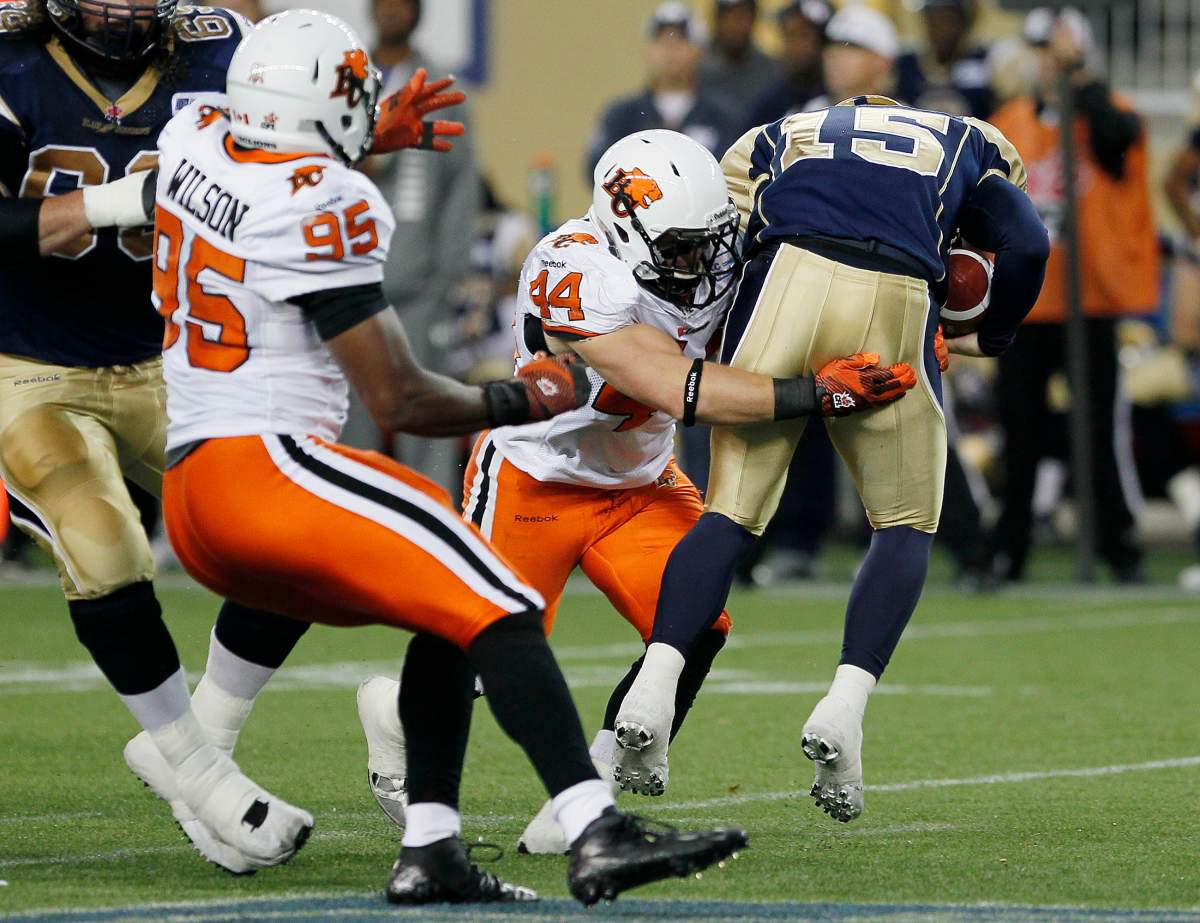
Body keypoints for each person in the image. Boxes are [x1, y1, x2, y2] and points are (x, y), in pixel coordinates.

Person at [153, 11, 748, 904]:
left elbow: (216, 183)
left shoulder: (191, 139)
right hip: (270, 460)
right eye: (352, 98)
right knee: (491, 598)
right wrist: (513, 398)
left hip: (193, 471)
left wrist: (360, 141)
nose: (368, 108)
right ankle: (595, 826)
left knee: (431, 603)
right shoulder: (331, 201)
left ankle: (380, 821)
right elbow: (398, 399)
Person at [356, 130, 916, 854]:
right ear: (625, 228)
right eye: (682, 247)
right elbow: (675, 387)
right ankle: (392, 715)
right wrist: (813, 392)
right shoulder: (574, 267)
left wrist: (907, 330)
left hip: (640, 479)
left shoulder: (706, 254)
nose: (705, 262)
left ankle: (592, 791)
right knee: (489, 659)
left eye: (710, 241)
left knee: (693, 622)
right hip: (539, 476)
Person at [613, 96, 1049, 825]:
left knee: (730, 511)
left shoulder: (776, 135)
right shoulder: (970, 142)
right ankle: (844, 709)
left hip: (781, 279)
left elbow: (727, 239)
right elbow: (1029, 243)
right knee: (906, 520)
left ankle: (655, 685)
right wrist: (992, 335)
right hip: (895, 294)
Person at [0, 0, 327, 873]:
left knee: (294, 531)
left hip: (173, 359)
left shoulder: (214, 47)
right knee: (103, 541)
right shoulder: (12, 59)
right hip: (29, 365)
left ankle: (197, 741)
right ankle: (203, 777)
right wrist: (115, 201)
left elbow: (288, 158)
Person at [988, 6, 1157, 583]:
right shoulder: (1009, 120)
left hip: (1089, 304)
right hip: (1027, 300)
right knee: (1019, 429)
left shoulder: (1109, 116)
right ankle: (1009, 550)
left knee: (1099, 429)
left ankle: (1118, 547)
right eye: (1039, 51)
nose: (1046, 63)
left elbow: (1118, 142)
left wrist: (1080, 82)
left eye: (1055, 52)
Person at [342, 0, 478, 498]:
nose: (392, 9)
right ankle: (348, 522)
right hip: (350, 280)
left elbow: (461, 184)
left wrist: (449, 272)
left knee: (430, 409)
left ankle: (434, 516)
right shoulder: (345, 75)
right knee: (348, 414)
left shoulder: (439, 82)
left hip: (419, 282)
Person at [586, 3, 740, 179]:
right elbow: (596, 169)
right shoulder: (621, 116)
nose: (670, 51)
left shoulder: (722, 117)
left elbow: (732, 174)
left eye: (679, 42)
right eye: (661, 41)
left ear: (699, 51)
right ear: (647, 50)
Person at [896, 0, 995, 119]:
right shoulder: (906, 64)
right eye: (933, 20)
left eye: (948, 19)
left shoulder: (984, 61)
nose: (941, 29)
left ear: (964, 22)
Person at [746, 0, 830, 128]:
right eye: (789, 35)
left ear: (824, 41)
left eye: (804, 35)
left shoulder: (844, 97)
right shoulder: (772, 102)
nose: (794, 45)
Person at [803, 3, 900, 110]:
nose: (834, 56)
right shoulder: (802, 116)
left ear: (882, 62)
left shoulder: (908, 120)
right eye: (830, 47)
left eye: (850, 48)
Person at [698, 0, 781, 108]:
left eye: (742, 16)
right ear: (717, 19)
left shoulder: (771, 69)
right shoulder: (696, 66)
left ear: (753, 19)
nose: (735, 24)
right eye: (729, 16)